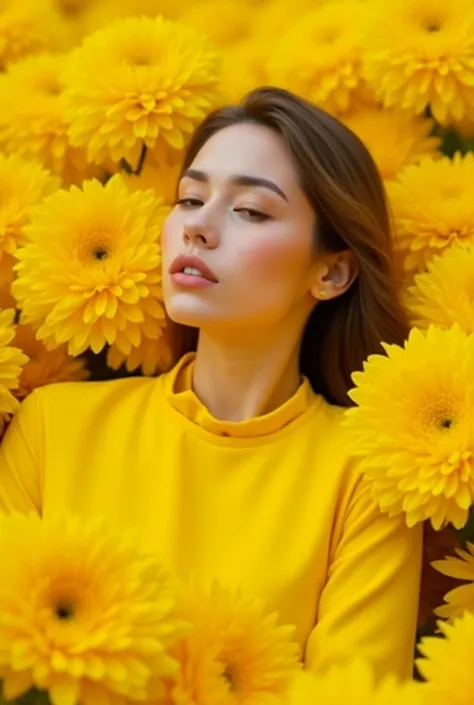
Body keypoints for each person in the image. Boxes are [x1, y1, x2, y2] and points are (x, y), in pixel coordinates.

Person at [0, 87, 421, 682]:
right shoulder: (54, 426)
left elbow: (354, 689)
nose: (198, 226)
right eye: (190, 198)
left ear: (331, 272)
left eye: (249, 210)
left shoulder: (367, 476)